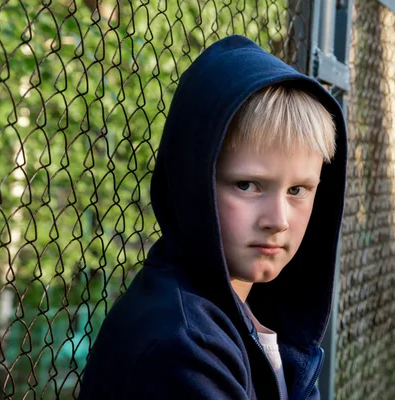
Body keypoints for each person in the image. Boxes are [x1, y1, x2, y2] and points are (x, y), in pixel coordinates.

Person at [78, 35, 347, 399]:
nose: (278, 219)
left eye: (298, 190)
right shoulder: (182, 347)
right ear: (194, 180)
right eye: (248, 185)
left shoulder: (250, 315)